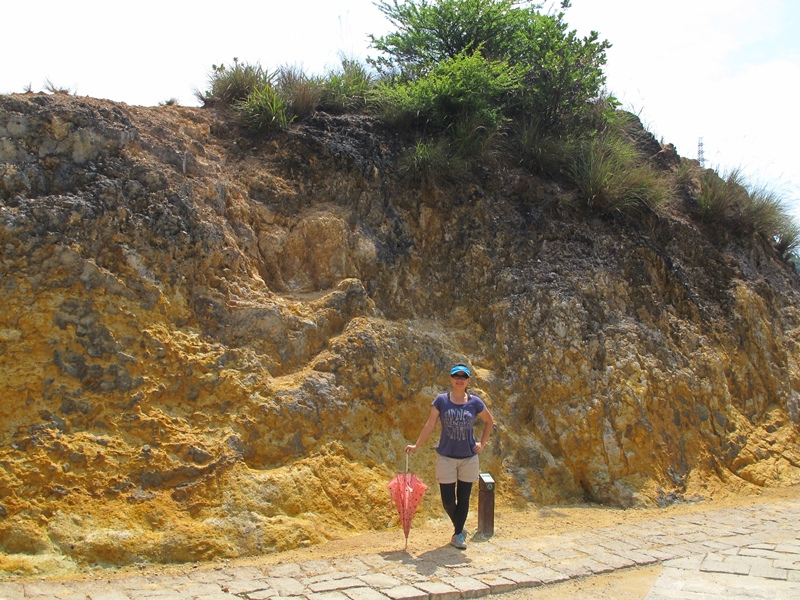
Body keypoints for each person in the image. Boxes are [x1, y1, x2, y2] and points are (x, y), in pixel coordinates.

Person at [405, 363, 494, 549]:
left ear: (468, 380)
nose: (459, 380)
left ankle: (457, 535)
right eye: (456, 376)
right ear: (450, 379)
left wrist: (482, 443)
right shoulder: (441, 401)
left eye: (463, 377)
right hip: (446, 456)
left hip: (468, 457)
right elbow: (430, 425)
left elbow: (489, 422)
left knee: (464, 498)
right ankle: (460, 526)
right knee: (447, 500)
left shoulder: (475, 402)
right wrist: (416, 445)